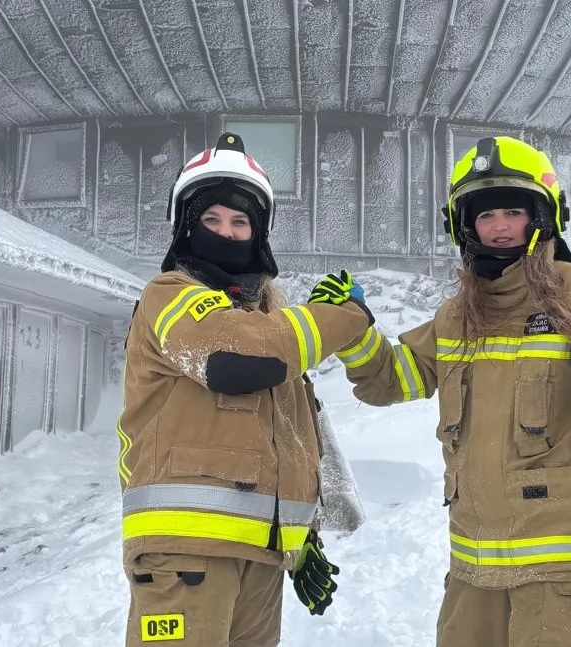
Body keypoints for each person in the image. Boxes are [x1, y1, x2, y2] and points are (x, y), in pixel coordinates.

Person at [327, 136, 571, 647]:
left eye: (513, 212)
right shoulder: (457, 316)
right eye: (485, 216)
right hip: (473, 571)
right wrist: (353, 329)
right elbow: (391, 378)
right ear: (463, 226)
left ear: (543, 216)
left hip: (562, 570)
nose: (498, 228)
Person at [117, 132, 373, 647]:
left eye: (240, 223)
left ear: (259, 235)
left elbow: (289, 445)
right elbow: (235, 360)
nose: (226, 233)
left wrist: (300, 542)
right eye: (210, 220)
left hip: (261, 559)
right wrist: (346, 316)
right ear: (185, 228)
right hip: (186, 551)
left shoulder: (268, 323)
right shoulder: (169, 296)